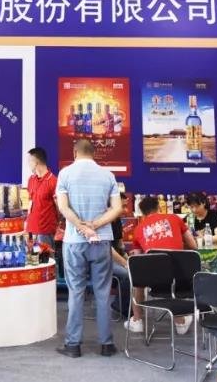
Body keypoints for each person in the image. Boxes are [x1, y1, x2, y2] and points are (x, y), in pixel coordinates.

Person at [55, 139, 122, 359]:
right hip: (102, 240)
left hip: (74, 241)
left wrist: (81, 227)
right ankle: (106, 344)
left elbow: (63, 207)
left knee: (76, 292)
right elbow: (117, 209)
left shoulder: (65, 174)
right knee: (102, 293)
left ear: (75, 152)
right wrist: (96, 225)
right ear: (94, 153)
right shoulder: (108, 175)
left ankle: (73, 345)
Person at [123, 196, 197, 334]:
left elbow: (138, 259)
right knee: (171, 274)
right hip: (182, 277)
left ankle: (137, 320)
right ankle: (180, 321)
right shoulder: (175, 218)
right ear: (158, 207)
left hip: (155, 279)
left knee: (138, 277)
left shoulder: (138, 229)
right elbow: (193, 245)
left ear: (142, 212)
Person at [25, 147, 58, 246]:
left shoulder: (53, 181)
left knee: (46, 256)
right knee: (31, 255)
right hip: (30, 230)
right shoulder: (31, 180)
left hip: (45, 231)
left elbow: (59, 208)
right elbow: (30, 203)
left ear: (36, 163)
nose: (28, 164)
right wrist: (27, 223)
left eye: (29, 161)